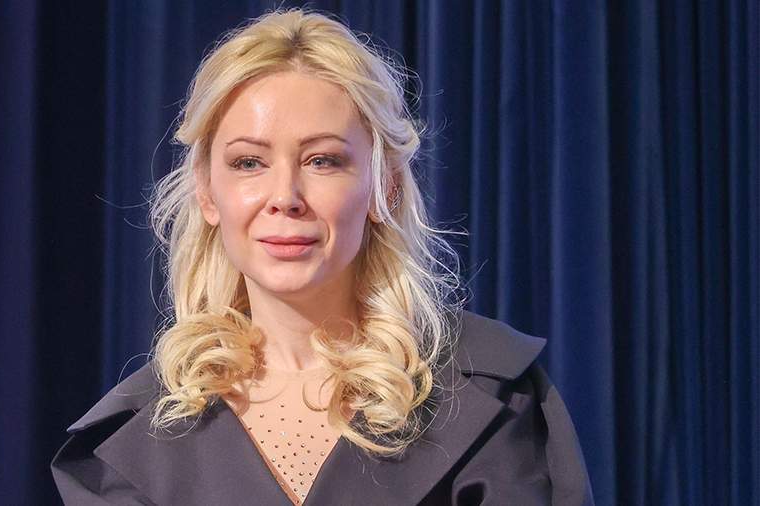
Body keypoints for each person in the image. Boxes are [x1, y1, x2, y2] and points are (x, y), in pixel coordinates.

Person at [51, 8, 594, 505]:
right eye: (248, 163)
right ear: (207, 192)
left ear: (386, 188)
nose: (285, 196)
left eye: (322, 160)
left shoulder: (494, 396)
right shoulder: (131, 449)